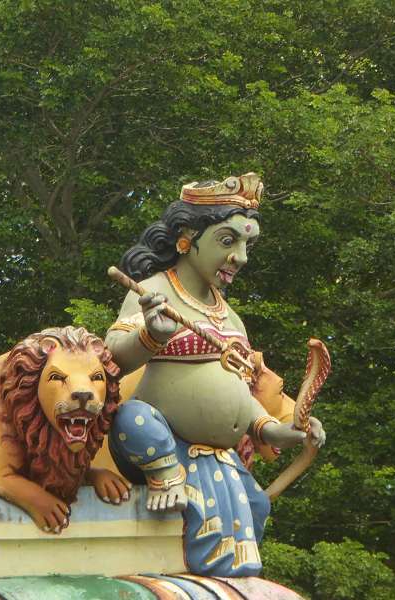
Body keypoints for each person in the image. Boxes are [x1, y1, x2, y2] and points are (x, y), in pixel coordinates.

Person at [105, 173, 325, 577]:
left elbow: (243, 400)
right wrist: (150, 334)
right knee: (130, 418)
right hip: (165, 446)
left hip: (221, 459)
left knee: (256, 505)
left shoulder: (230, 317)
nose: (240, 257)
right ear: (187, 237)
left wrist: (282, 431)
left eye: (246, 245)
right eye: (228, 241)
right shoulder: (154, 290)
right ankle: (167, 478)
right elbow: (112, 358)